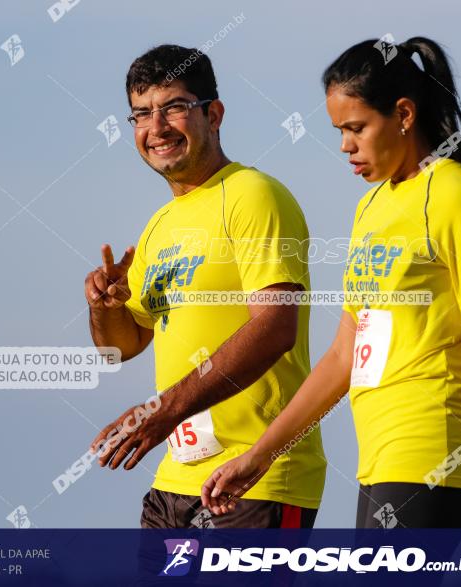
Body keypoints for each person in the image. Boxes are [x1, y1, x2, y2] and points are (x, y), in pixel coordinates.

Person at [201, 37, 461, 530]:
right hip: (379, 462)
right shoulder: (370, 208)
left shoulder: (454, 193)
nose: (345, 145)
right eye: (339, 131)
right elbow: (341, 359)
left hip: (436, 455)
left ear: (405, 114)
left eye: (356, 128)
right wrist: (258, 457)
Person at [85, 44, 325, 529]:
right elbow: (119, 348)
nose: (157, 128)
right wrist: (103, 307)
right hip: (174, 482)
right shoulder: (159, 225)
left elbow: (277, 327)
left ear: (213, 114)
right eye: (141, 114)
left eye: (174, 107)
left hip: (253, 477)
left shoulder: (254, 195)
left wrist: (164, 410)